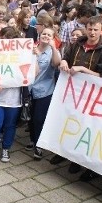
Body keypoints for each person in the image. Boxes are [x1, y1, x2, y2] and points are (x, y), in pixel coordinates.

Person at [50, 16, 102, 172]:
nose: (92, 32)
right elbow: (66, 58)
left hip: (90, 95)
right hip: (71, 91)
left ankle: (76, 160)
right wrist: (64, 62)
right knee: (67, 121)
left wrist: (83, 69)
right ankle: (61, 152)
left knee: (82, 126)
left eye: (95, 30)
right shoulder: (77, 43)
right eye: (90, 29)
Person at [0, 27, 26, 163]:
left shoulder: (22, 55)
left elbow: (33, 73)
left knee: (10, 125)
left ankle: (6, 148)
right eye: (3, 40)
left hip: (14, 99)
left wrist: (34, 56)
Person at [29, 26, 62, 159]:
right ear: (40, 34)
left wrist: (53, 47)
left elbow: (56, 64)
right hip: (30, 89)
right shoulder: (31, 48)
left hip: (45, 90)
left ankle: (39, 145)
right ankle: (33, 140)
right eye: (44, 34)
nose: (46, 36)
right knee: (30, 118)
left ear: (53, 38)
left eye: (49, 35)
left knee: (39, 118)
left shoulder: (53, 52)